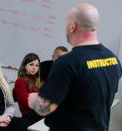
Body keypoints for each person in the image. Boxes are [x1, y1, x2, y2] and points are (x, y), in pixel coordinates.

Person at [28, 3, 122, 131]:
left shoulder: (67, 62)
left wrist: (32, 98)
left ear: (72, 26)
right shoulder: (113, 59)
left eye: (66, 22)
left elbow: (43, 108)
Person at [13, 53, 43, 125]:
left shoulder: (40, 81)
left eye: (37, 65)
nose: (34, 68)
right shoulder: (20, 81)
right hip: (29, 117)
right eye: (31, 64)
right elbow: (26, 103)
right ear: (25, 66)